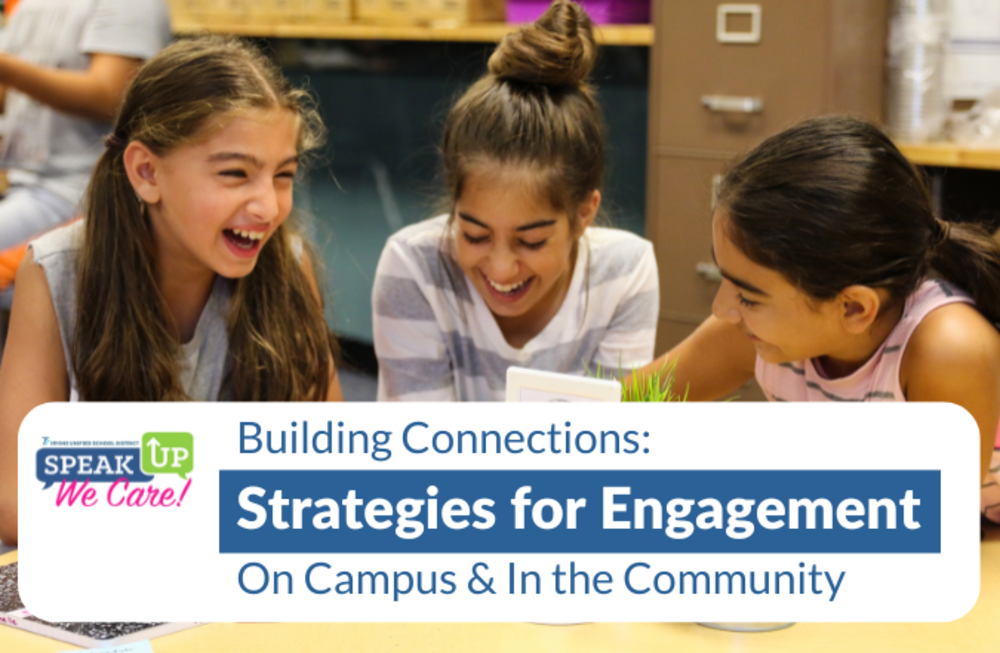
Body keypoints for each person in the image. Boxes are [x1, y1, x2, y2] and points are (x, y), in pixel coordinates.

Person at [0, 36, 343, 545]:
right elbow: (15, 500)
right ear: (146, 171)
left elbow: (331, 462)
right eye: (235, 174)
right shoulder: (56, 270)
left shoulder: (289, 267)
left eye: (283, 176)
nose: (269, 207)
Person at [636, 116, 1000, 490]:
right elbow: (629, 407)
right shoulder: (755, 331)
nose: (721, 309)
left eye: (747, 295)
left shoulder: (950, 347)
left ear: (853, 309)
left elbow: (930, 523)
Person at [372, 0, 659, 401]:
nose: (502, 269)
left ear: (583, 214)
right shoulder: (415, 267)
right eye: (474, 235)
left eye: (531, 241)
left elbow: (608, 441)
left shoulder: (625, 271)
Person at [0, 0, 172, 251]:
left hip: (80, 193)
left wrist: (8, 69)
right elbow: (8, 97)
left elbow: (111, 96)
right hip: (20, 183)